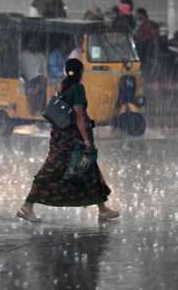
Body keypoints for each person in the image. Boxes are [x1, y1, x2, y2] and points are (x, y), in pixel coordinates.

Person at [16, 58, 119, 223]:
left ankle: (103, 209)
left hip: (59, 136)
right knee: (54, 170)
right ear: (80, 72)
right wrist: (86, 140)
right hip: (71, 140)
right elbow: (78, 115)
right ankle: (27, 206)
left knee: (88, 168)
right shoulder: (77, 88)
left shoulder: (61, 87)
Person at [20, 37, 48, 115]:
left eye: (36, 44)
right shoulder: (23, 55)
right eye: (32, 43)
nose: (34, 45)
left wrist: (44, 79)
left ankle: (39, 109)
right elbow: (19, 70)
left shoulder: (41, 56)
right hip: (26, 79)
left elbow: (45, 72)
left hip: (39, 79)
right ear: (29, 44)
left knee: (42, 84)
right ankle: (34, 109)